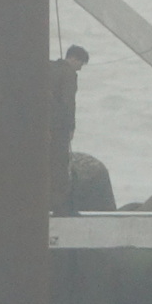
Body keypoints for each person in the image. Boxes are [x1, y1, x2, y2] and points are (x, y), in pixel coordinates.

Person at [49, 44, 87, 215]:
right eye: (81, 64)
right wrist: (71, 127)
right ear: (73, 58)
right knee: (59, 166)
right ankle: (60, 207)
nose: (80, 69)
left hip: (39, 126)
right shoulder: (69, 74)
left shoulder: (50, 68)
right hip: (58, 127)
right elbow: (68, 103)